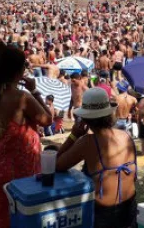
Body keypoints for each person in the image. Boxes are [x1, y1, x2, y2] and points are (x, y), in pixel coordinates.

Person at [0, 43, 52, 228]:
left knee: (0, 212)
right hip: (21, 165)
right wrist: (34, 90)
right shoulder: (23, 97)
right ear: (20, 70)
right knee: (22, 212)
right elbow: (47, 120)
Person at [56, 87, 138, 228]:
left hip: (104, 214)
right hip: (129, 206)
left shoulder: (87, 142)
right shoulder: (126, 136)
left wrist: (73, 136)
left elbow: (56, 165)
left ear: (86, 119)